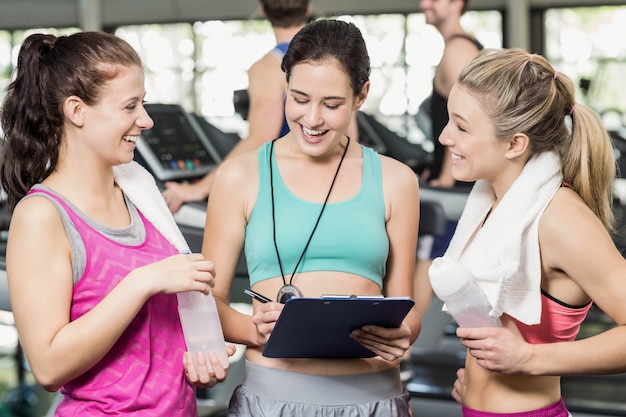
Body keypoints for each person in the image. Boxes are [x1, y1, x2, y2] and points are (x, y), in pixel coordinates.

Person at [184, 19, 421, 416]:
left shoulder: (397, 181)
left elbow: (403, 307)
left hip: (374, 397)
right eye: (298, 98)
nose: (311, 119)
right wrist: (250, 328)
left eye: (331, 105)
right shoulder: (240, 175)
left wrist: (403, 334)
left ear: (361, 95)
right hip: (273, 398)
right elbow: (208, 304)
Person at [0, 31, 235, 416]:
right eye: (130, 106)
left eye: (142, 103)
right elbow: (48, 366)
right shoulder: (42, 216)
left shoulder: (139, 192)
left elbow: (156, 335)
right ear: (76, 111)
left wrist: (195, 360)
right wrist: (143, 281)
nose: (145, 120)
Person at [436, 47, 623, 416]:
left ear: (515, 144)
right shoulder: (494, 202)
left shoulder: (560, 218)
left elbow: (523, 353)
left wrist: (528, 358)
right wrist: (477, 384)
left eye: (461, 126)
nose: (444, 137)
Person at [162, 0, 355, 213]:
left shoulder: (269, 68)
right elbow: (350, 137)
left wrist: (200, 189)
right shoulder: (337, 61)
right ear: (308, 8)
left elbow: (260, 138)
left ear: (263, 10)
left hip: (296, 190)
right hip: (339, 186)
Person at [413, 0, 483, 321]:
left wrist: (447, 175)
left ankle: (403, 343)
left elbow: (466, 118)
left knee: (430, 260)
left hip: (458, 186)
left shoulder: (458, 49)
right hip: (454, 176)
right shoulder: (455, 47)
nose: (423, 3)